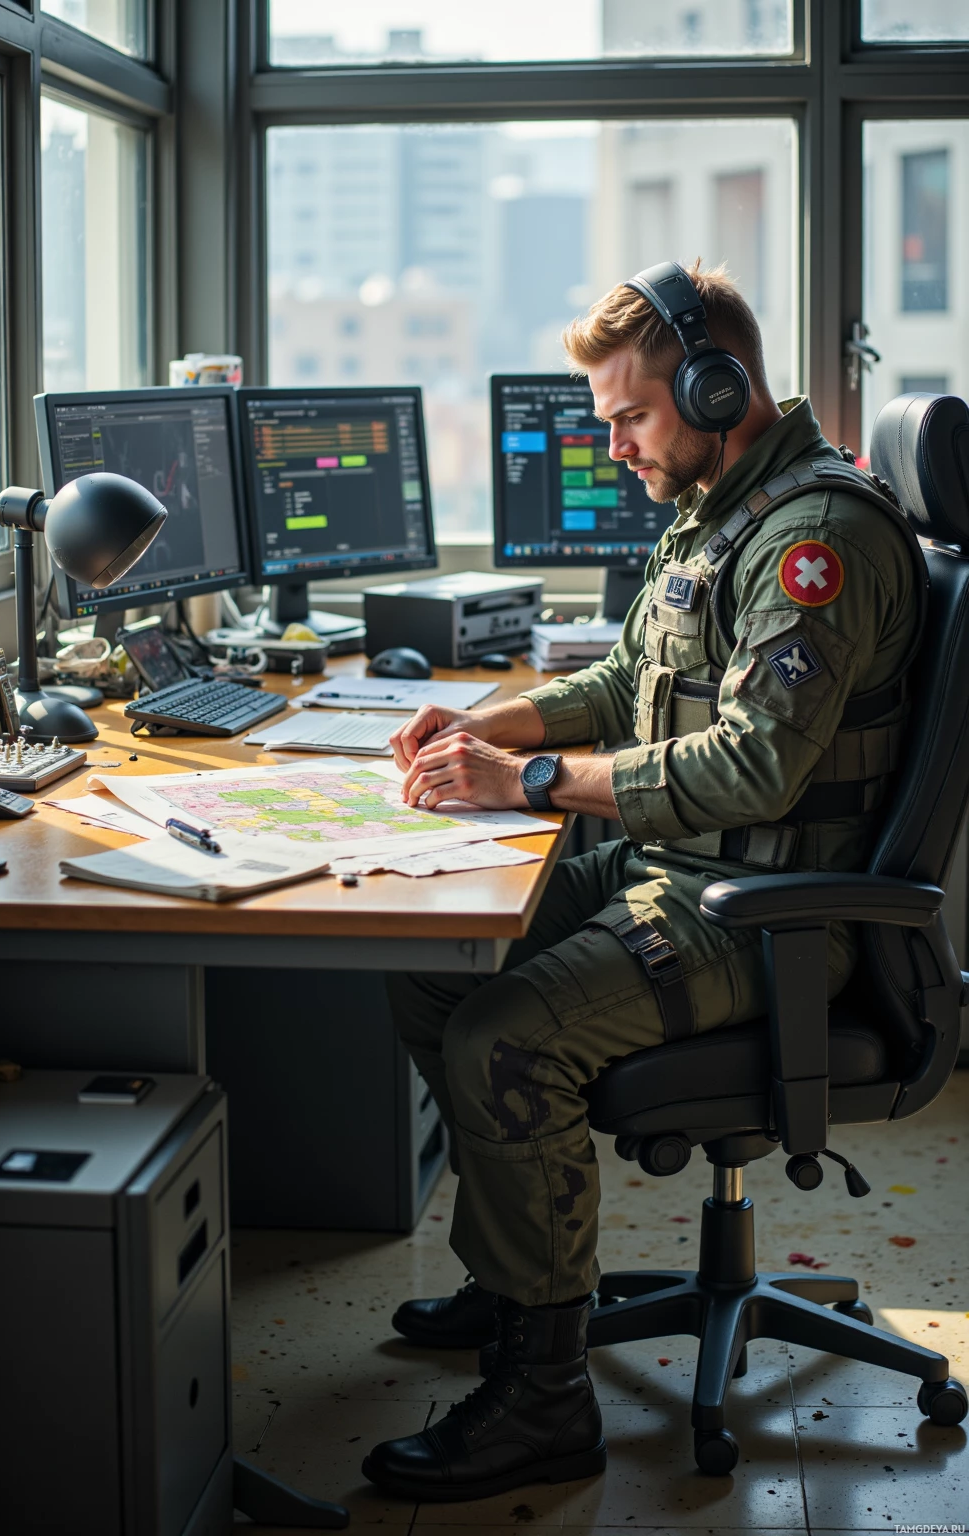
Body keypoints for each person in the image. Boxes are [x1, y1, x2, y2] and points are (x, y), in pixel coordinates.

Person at [361, 260, 926, 1502]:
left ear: (719, 389)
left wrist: (530, 787)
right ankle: (520, 1282)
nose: (611, 443)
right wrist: (495, 724)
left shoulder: (814, 538)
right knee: (431, 961)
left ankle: (543, 1403)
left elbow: (755, 768)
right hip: (679, 864)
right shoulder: (720, 504)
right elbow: (626, 688)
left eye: (628, 415)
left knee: (504, 1040)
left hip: (769, 910)